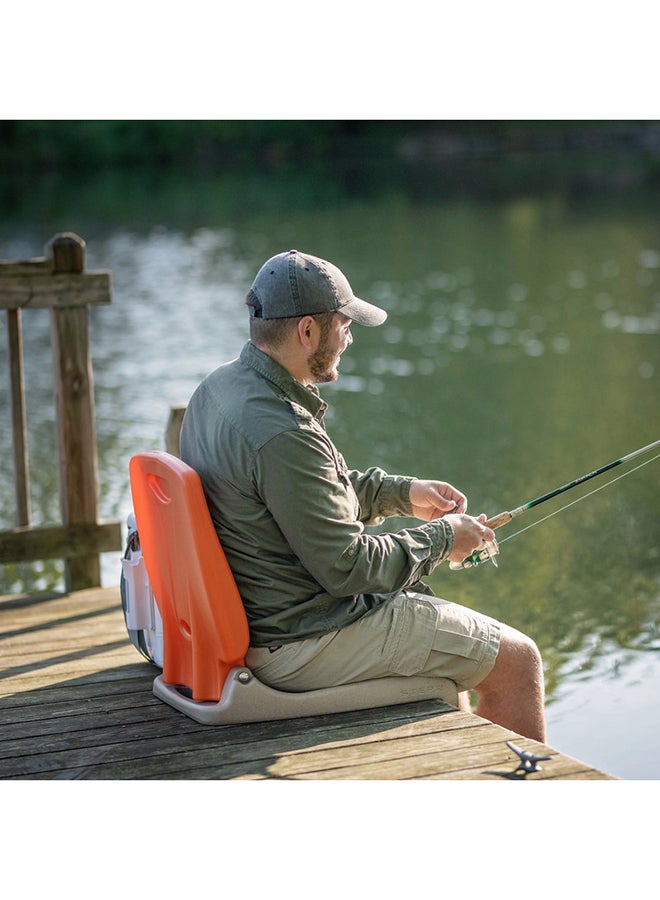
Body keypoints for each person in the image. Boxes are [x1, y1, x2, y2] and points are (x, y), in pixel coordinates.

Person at [180, 249, 547, 742]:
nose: (350, 337)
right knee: (520, 662)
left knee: (456, 660)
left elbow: (303, 493)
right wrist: (442, 539)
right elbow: (345, 566)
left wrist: (403, 494)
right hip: (302, 639)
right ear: (307, 331)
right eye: (344, 324)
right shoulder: (283, 431)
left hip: (269, 619)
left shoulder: (220, 389)